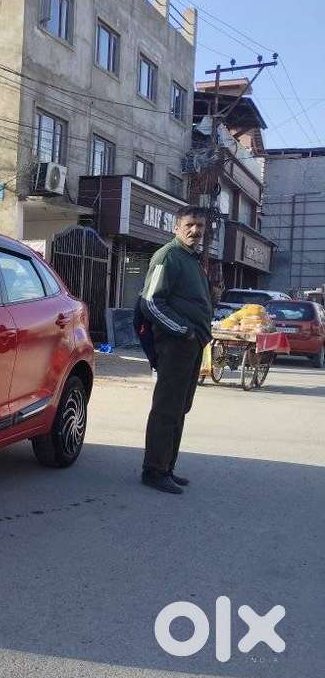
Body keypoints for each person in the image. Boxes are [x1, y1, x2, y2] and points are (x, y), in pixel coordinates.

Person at [137, 206, 213, 494]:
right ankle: (154, 470)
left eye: (200, 227)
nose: (195, 231)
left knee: (180, 407)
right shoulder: (168, 256)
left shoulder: (190, 259)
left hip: (191, 346)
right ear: (176, 227)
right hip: (175, 345)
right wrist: (184, 331)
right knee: (167, 408)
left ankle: (166, 467)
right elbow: (151, 302)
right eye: (190, 225)